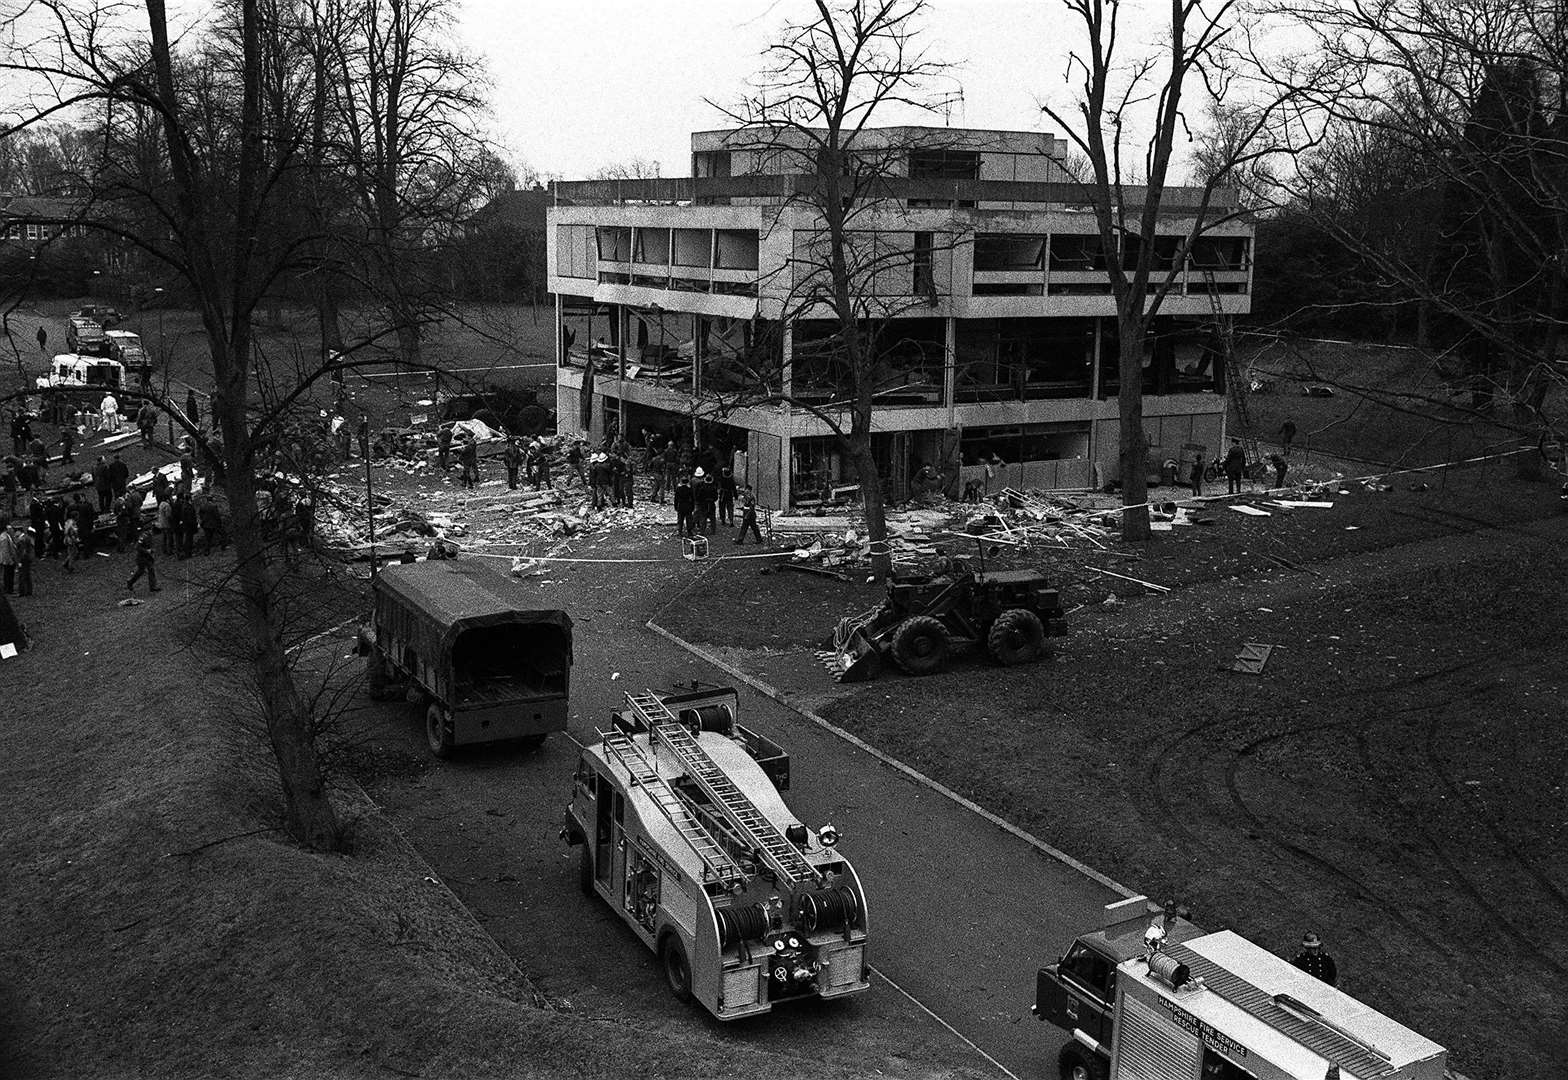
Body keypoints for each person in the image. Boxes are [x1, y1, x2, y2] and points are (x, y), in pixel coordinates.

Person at [126, 528, 160, 593]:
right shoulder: (143, 536)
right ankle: (130, 582)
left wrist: (152, 551)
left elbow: (150, 546)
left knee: (151, 570)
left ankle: (153, 587)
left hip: (148, 557)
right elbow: (137, 547)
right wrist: (147, 551)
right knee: (140, 571)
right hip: (141, 557)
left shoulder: (150, 536)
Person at [692, 467, 717, 535]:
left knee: (703, 518)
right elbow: (716, 497)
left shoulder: (701, 487)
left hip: (704, 504)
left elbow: (699, 496)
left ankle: (702, 531)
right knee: (712, 518)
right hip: (711, 504)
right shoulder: (713, 488)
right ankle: (713, 531)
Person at [15, 526, 35, 597]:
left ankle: (22, 592)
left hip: (24, 560)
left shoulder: (22, 540)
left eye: (16, 531)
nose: (15, 533)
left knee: (22, 576)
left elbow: (23, 552)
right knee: (27, 575)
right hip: (28, 559)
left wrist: (20, 561)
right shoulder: (27, 538)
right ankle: (29, 591)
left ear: (19, 531)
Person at [0, 519, 16, 595]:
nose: (12, 529)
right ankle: (8, 589)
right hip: (7, 560)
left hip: (8, 558)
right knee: (8, 575)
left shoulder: (6, 536)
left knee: (8, 574)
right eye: (10, 528)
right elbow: (5, 550)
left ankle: (8, 588)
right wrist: (9, 560)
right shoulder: (4, 538)